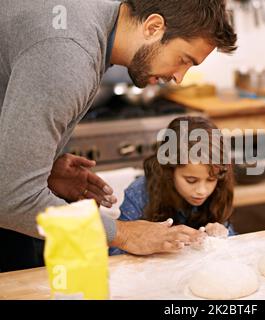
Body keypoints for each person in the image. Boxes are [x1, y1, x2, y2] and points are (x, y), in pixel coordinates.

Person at [0, 0, 237, 271]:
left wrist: (40, 169)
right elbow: (12, 200)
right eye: (184, 60)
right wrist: (124, 234)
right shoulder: (69, 55)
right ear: (153, 27)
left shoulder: (89, 25)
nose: (179, 77)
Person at [110, 116, 235, 255]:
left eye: (211, 180)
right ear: (170, 170)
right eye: (191, 180)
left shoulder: (219, 188)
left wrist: (222, 234)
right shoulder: (138, 194)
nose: (202, 191)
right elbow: (115, 253)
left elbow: (234, 244)